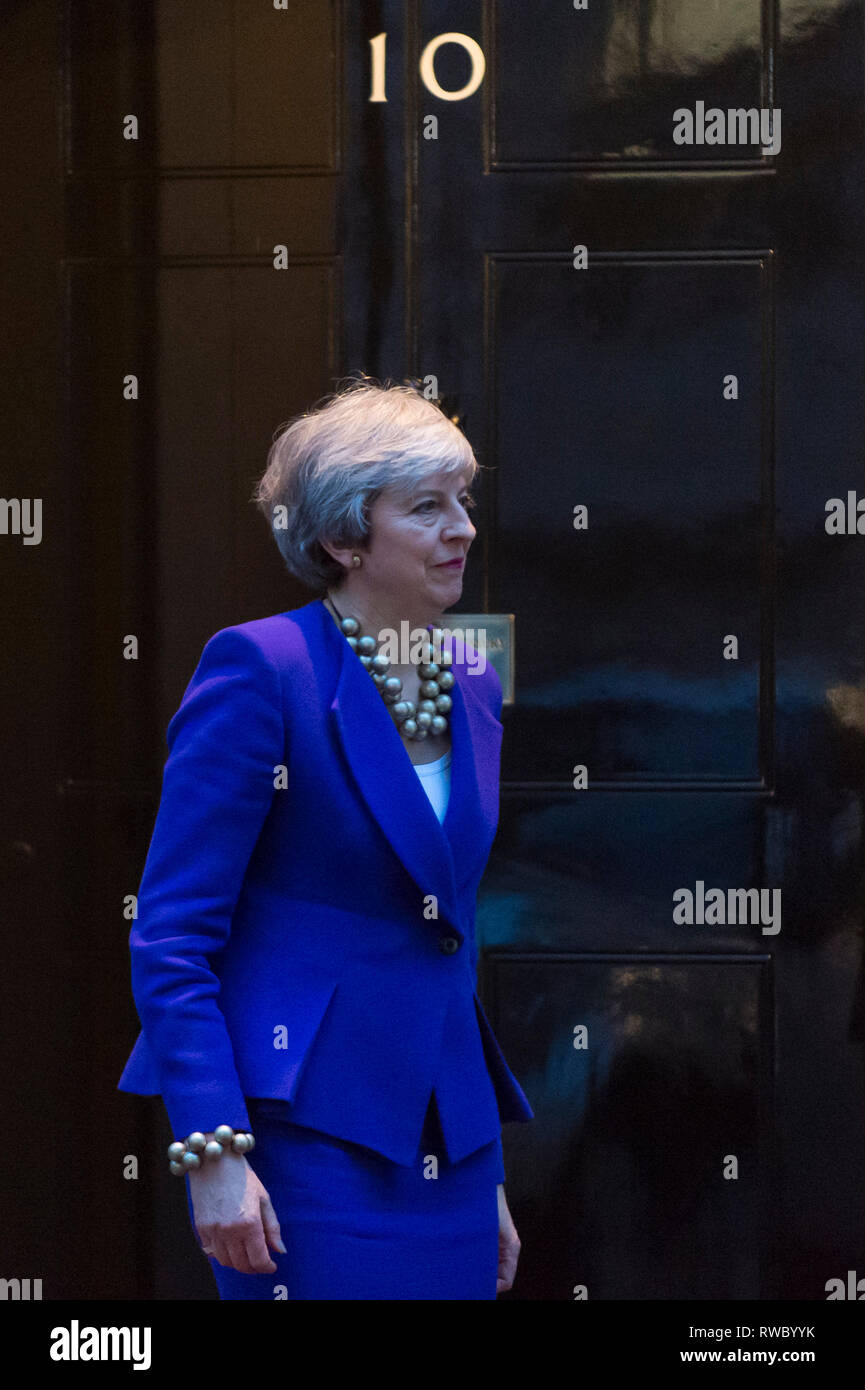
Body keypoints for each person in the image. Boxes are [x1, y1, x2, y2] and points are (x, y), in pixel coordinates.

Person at [117, 376, 534, 1299]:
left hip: (446, 1146)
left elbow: (445, 934)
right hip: (303, 1141)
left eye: (462, 500)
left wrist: (484, 1161)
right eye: (426, 507)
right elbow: (173, 934)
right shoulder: (262, 668)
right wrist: (211, 1152)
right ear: (342, 537)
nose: (461, 527)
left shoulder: (469, 680)